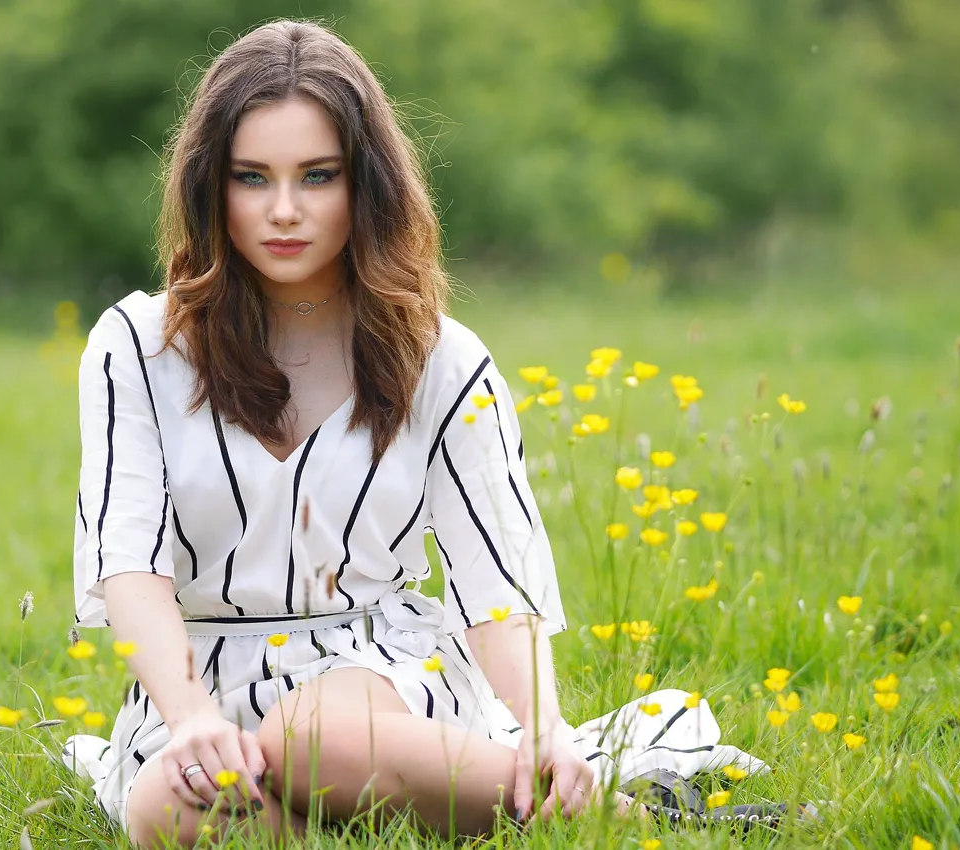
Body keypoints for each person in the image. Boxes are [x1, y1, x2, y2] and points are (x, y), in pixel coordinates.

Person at [61, 19, 765, 848]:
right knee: (166, 810)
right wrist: (187, 718)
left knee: (308, 740)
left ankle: (624, 818)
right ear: (210, 187)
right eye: (252, 178)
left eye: (317, 176)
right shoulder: (138, 348)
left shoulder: (439, 356)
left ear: (366, 184)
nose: (283, 210)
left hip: (372, 673)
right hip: (197, 683)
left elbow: (493, 575)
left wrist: (543, 727)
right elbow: (127, 561)